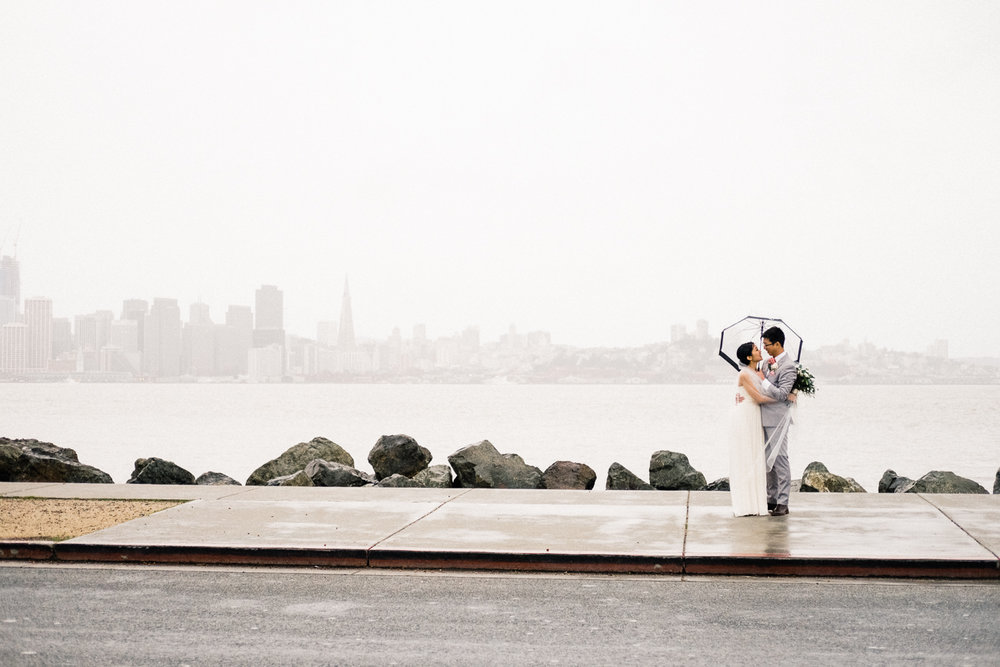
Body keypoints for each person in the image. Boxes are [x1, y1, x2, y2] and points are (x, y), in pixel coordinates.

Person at [729, 341, 777, 517]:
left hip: (754, 416)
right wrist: (784, 399)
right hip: (745, 416)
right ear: (749, 357)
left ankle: (757, 502)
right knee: (746, 456)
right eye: (756, 349)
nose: (759, 350)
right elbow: (758, 398)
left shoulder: (759, 372)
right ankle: (746, 504)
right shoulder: (744, 374)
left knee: (756, 456)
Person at [759, 326, 797, 516]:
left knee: (780, 460)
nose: (764, 347)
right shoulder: (766, 364)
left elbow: (783, 394)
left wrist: (763, 382)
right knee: (768, 462)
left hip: (778, 419)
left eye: (767, 345)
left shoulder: (789, 366)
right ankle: (771, 499)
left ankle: (783, 502)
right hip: (762, 417)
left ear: (777, 344)